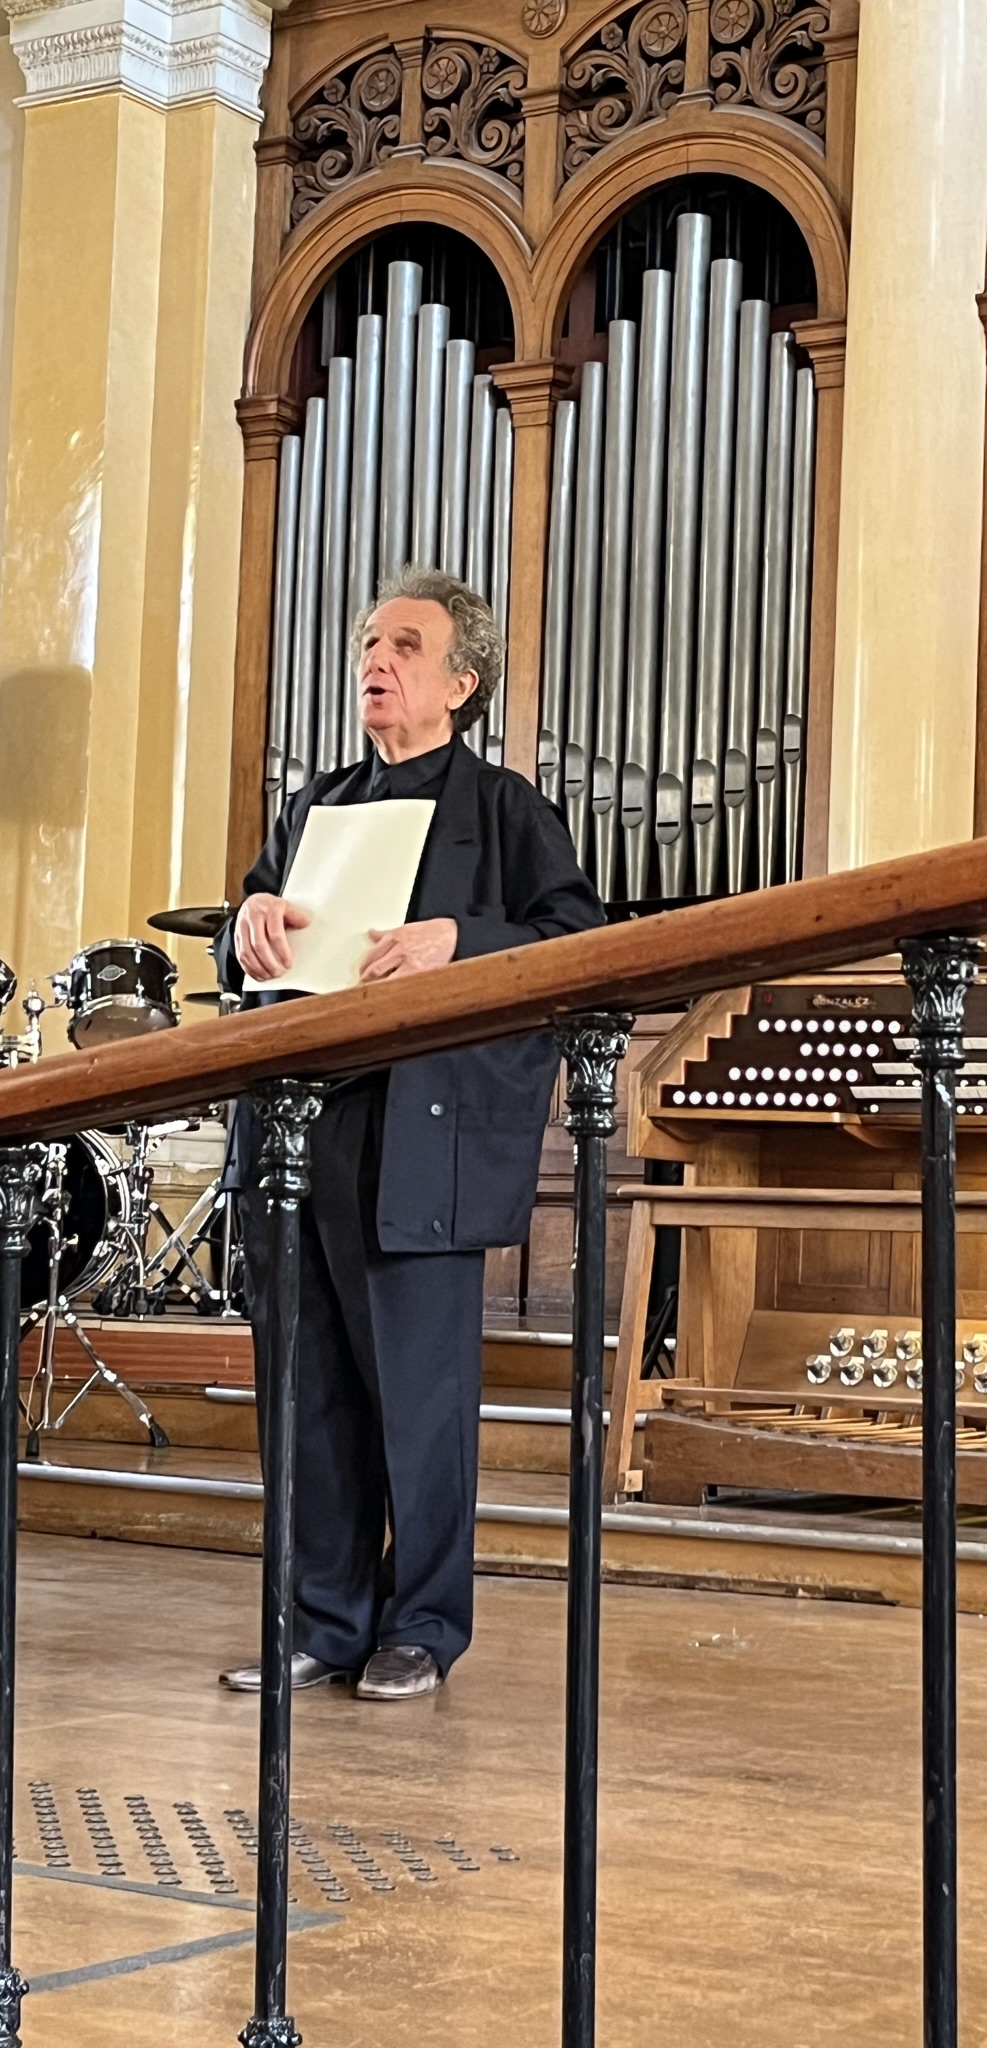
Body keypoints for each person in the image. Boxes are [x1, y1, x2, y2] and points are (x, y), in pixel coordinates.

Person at [216, 567, 604, 1700]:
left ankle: (423, 1627)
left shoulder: (506, 809)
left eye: (404, 646)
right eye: (368, 645)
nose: (374, 662)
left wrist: (457, 941)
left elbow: (577, 941)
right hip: (301, 1128)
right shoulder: (318, 805)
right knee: (310, 1396)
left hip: (419, 1138)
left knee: (420, 1405)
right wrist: (247, 920)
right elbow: (251, 939)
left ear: (461, 683)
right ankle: (323, 1621)